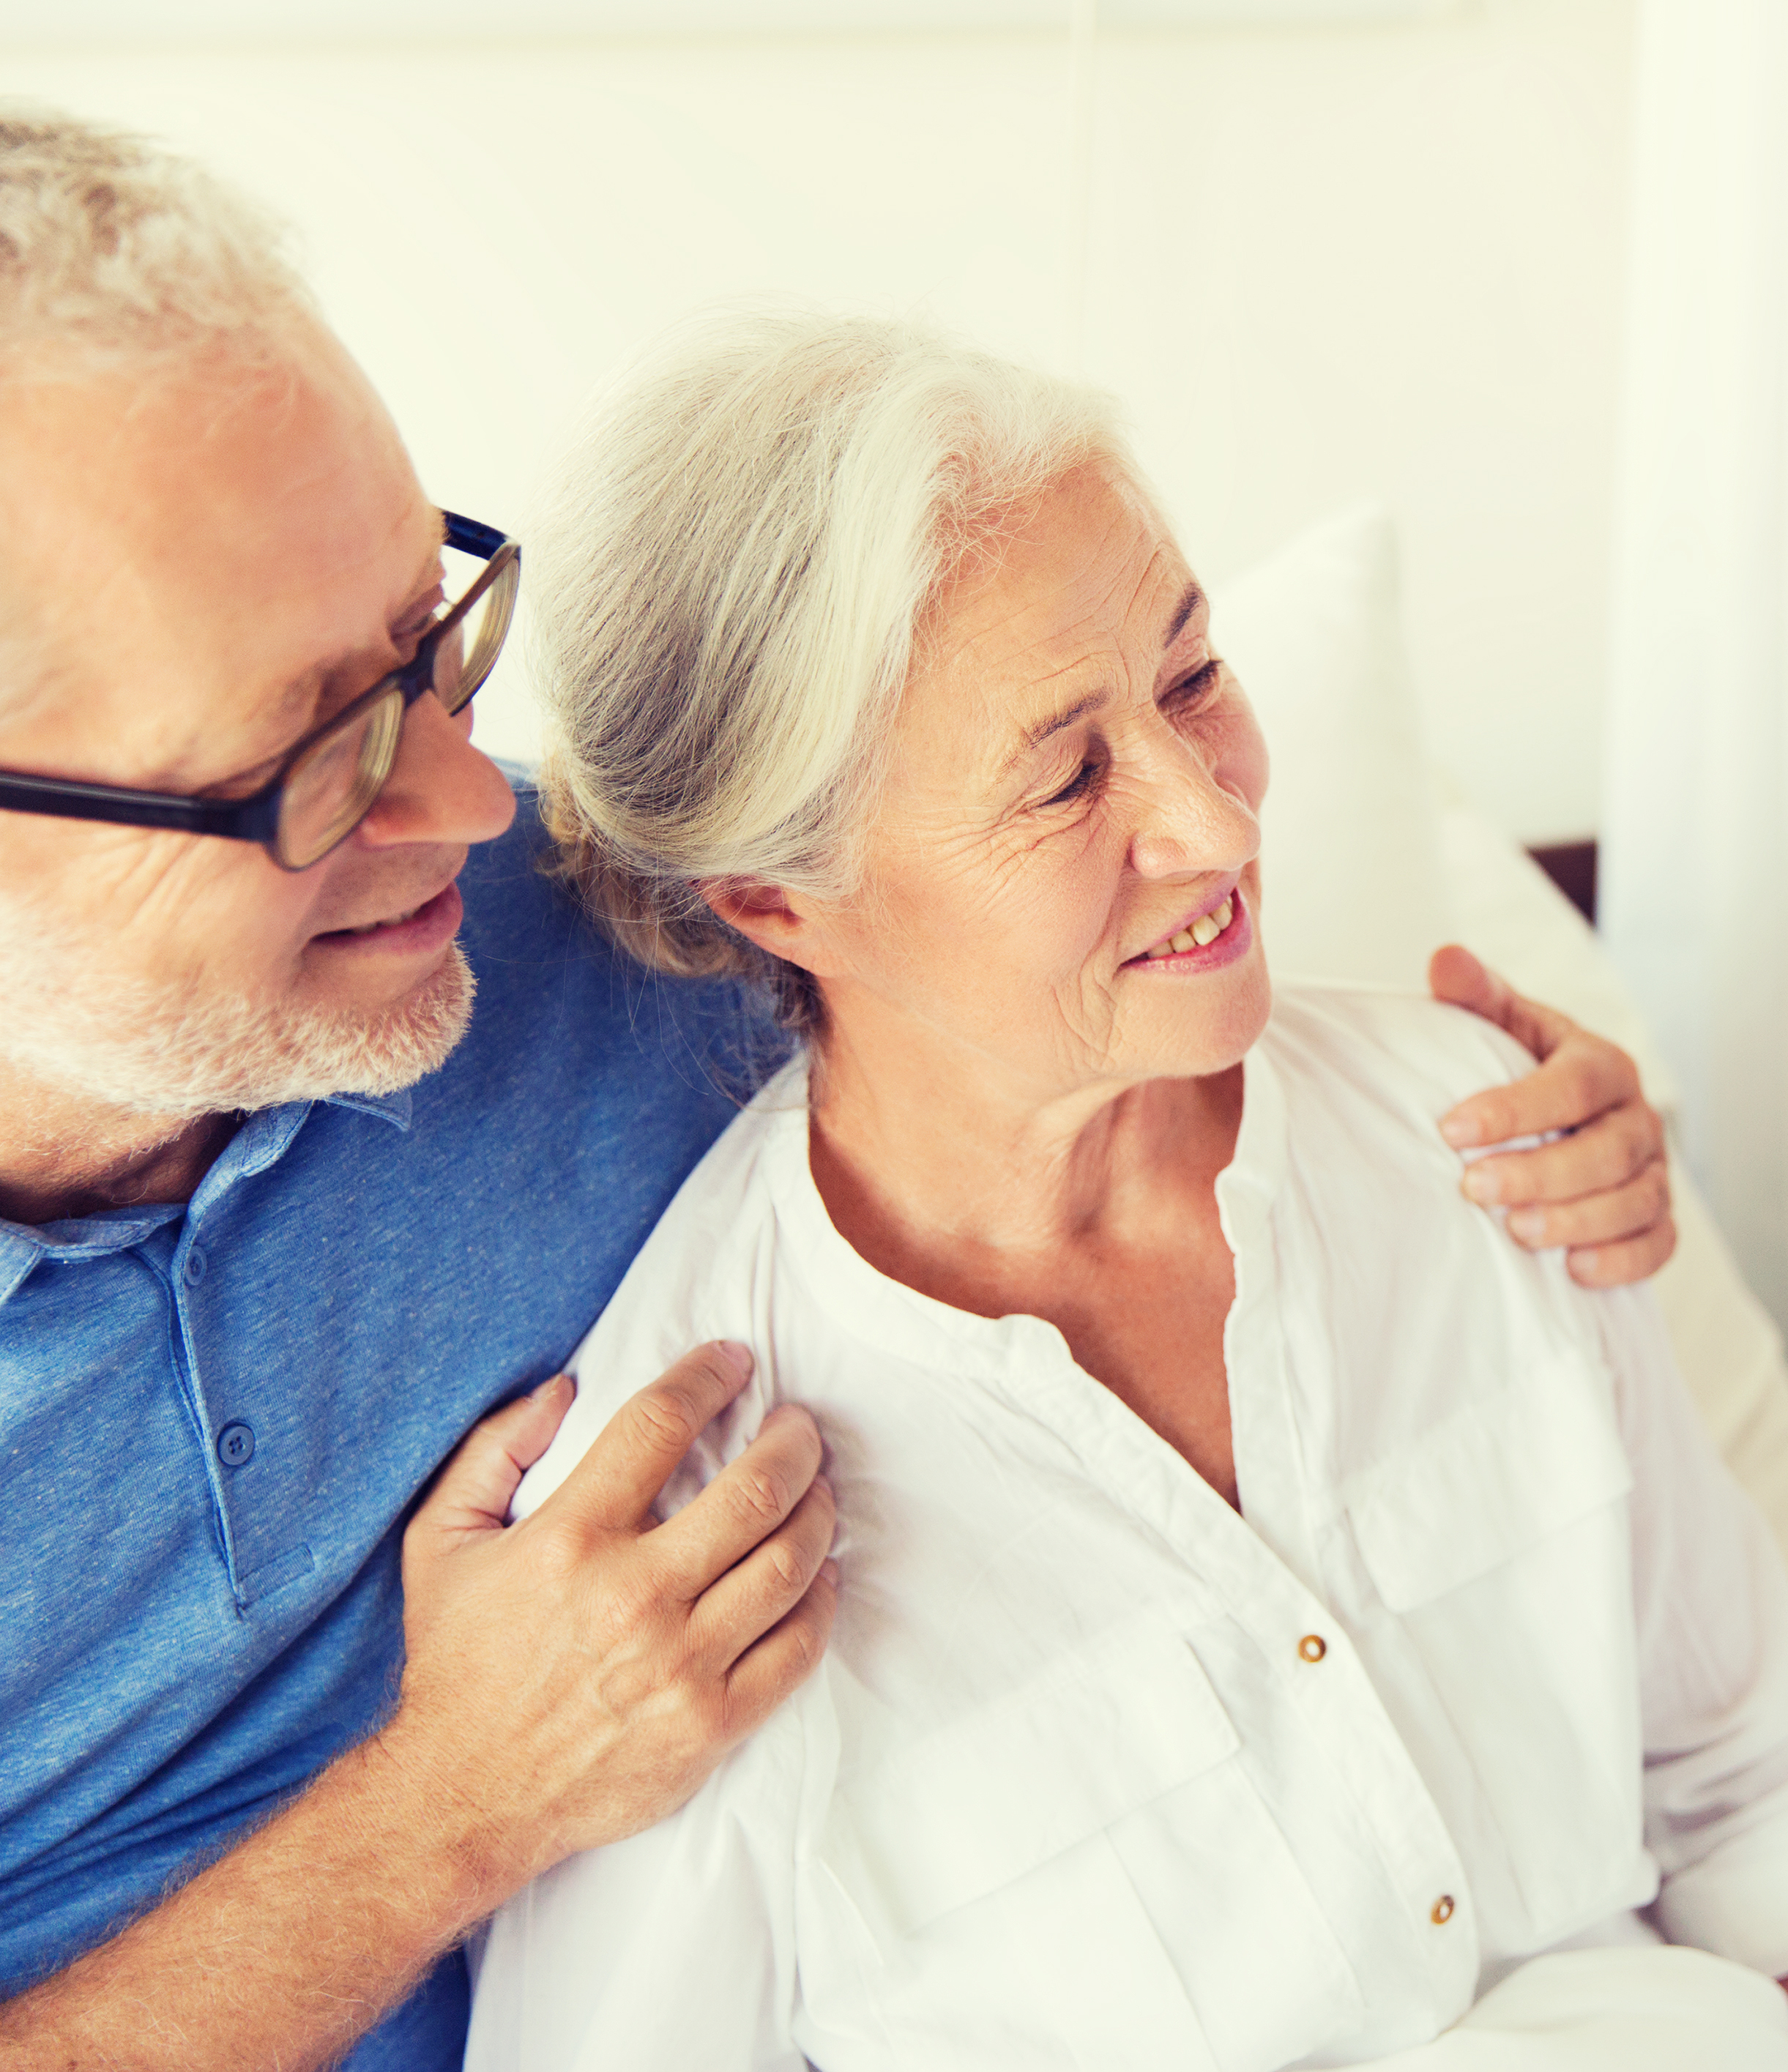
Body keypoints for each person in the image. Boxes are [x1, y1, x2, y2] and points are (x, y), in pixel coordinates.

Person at [0, 110, 1677, 2072]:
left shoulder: (583, 935)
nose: (473, 801)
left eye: (428, 638)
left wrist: (1500, 1133)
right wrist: (442, 1804)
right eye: (310, 758)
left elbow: (1028, 974)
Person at [457, 309, 1788, 2072]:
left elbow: (1756, 1791)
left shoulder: (1488, 1140)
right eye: (1065, 775)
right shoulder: (679, 1527)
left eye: (1190, 678)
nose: (1218, 820)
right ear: (780, 900)